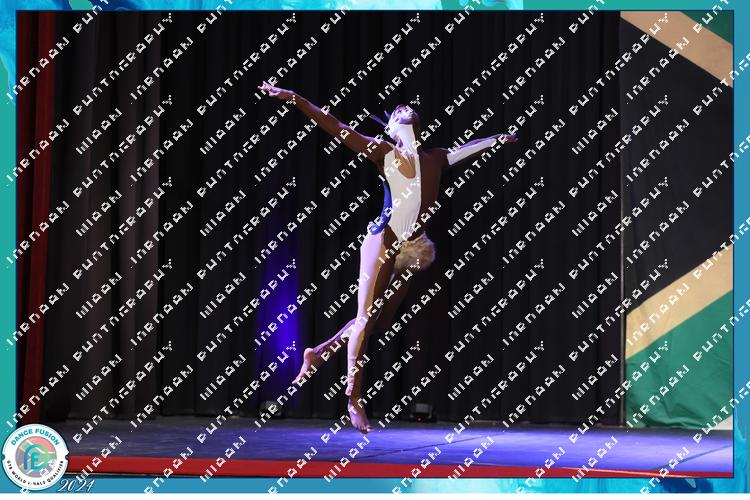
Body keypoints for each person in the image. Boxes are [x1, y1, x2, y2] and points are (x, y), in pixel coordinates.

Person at [257, 81, 517, 432]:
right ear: (392, 127)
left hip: (412, 249)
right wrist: (295, 97)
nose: (403, 109)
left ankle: (318, 353)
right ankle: (353, 398)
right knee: (365, 318)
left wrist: (497, 139)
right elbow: (334, 124)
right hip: (383, 241)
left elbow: (469, 149)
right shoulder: (383, 152)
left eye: (407, 109)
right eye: (397, 111)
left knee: (377, 321)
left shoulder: (435, 158)